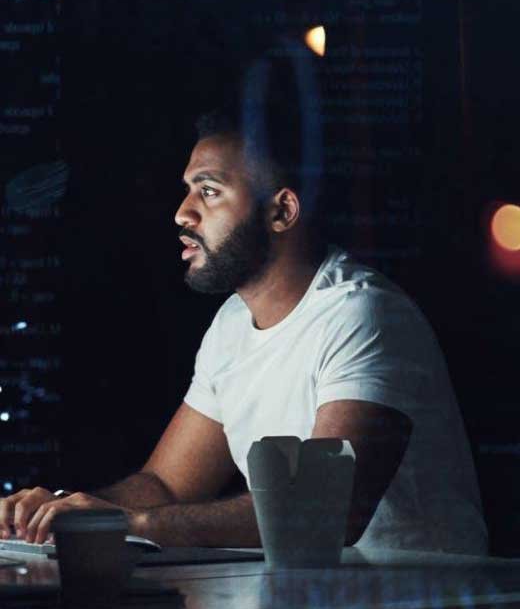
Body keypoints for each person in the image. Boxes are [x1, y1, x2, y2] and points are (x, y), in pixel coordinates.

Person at [0, 105, 488, 555]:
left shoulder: (361, 314)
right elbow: (166, 485)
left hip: (421, 595)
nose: (182, 213)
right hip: (310, 596)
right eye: (188, 190)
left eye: (209, 191)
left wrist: (129, 523)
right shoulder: (231, 325)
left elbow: (325, 512)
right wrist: (57, 510)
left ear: (282, 212)